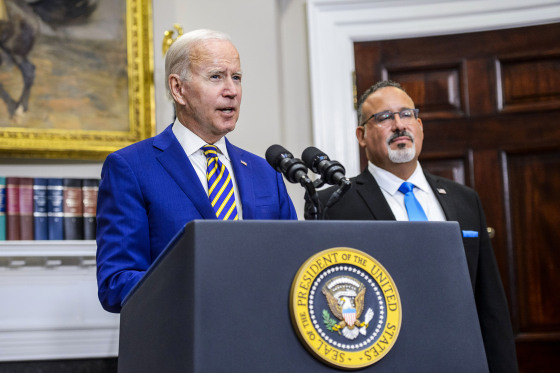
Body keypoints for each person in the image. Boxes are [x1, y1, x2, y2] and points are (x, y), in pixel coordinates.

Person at [309, 80, 518, 372]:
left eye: (406, 114)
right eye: (383, 117)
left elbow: (490, 303)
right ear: (362, 135)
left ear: (419, 126)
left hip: (461, 358)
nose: (398, 125)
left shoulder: (464, 200)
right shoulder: (333, 205)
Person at [96, 29, 297, 313]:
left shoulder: (266, 172)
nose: (231, 90)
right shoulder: (131, 168)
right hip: (183, 346)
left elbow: (294, 264)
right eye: (216, 76)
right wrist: (207, 287)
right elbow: (115, 283)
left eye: (236, 77)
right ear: (178, 89)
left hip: (261, 344)